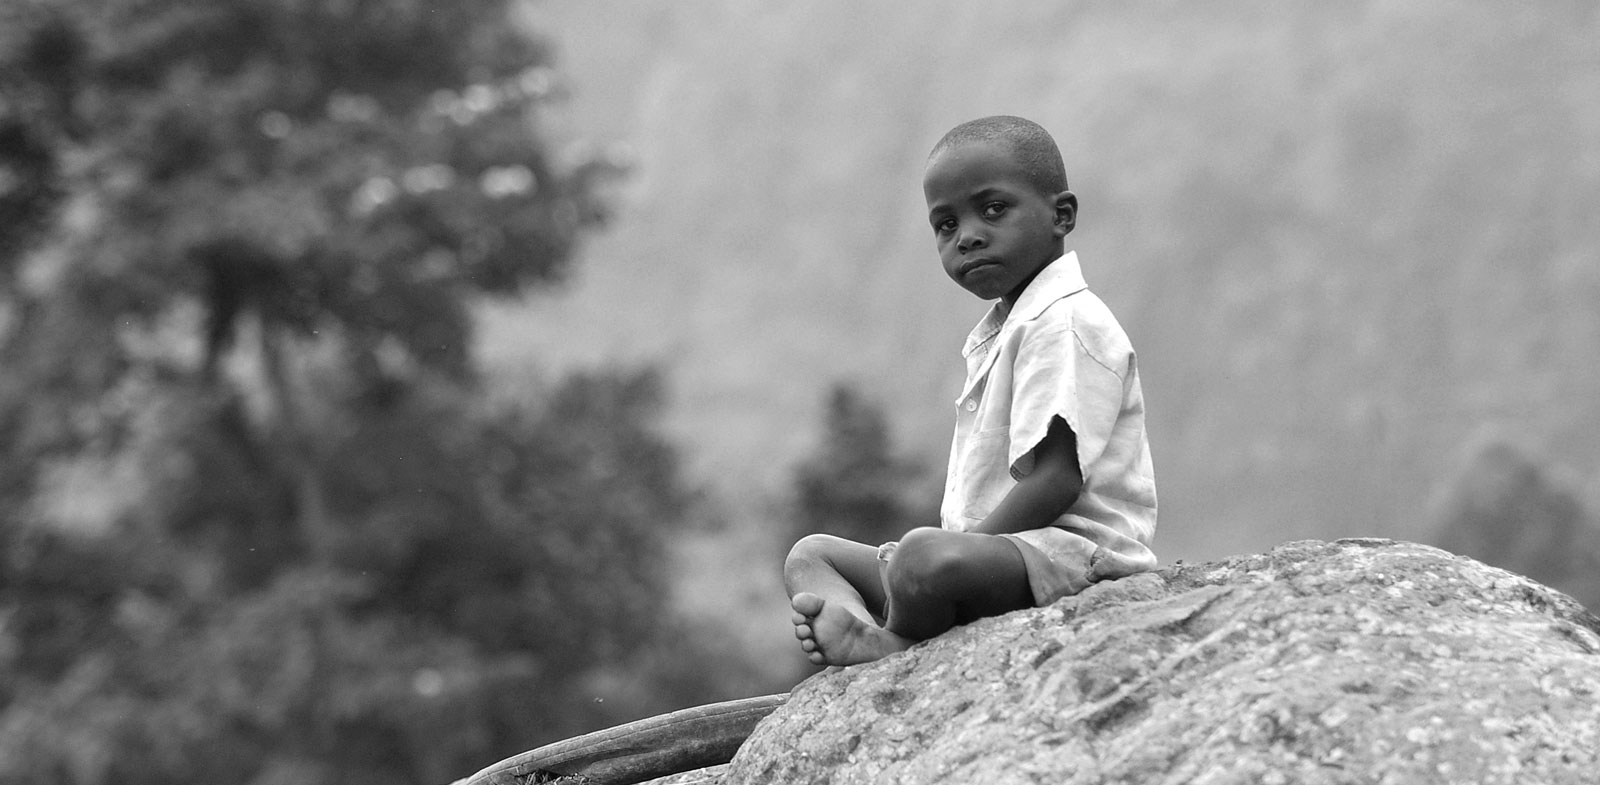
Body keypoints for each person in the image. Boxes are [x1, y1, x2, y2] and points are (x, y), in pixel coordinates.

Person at [785, 116, 1158, 666]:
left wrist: (962, 549)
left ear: (1061, 215)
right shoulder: (1008, 329)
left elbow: (1057, 478)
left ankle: (894, 642)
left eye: (993, 209)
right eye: (946, 224)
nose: (968, 236)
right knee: (813, 555)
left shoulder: (1065, 322)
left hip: (1069, 559)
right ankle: (861, 629)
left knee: (921, 556)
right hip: (994, 556)